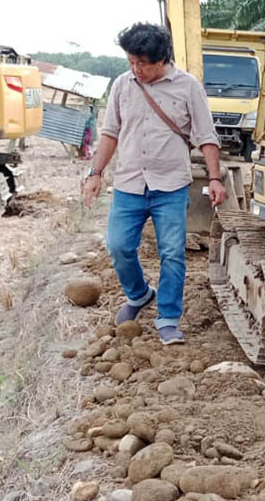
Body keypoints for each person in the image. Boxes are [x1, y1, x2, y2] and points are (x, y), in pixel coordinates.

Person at [82, 22, 226, 345]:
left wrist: (214, 178)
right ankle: (139, 294)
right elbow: (110, 133)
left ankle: (169, 318)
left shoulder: (189, 87)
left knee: (173, 253)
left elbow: (206, 136)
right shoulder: (122, 85)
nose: (136, 69)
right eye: (131, 62)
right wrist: (95, 173)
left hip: (171, 186)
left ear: (162, 59)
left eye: (142, 63)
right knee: (118, 246)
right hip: (130, 183)